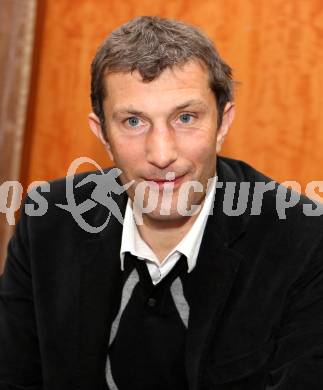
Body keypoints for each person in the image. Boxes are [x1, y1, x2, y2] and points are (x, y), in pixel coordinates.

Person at [1, 15, 323, 390]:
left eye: (186, 118)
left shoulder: (303, 242)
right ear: (102, 133)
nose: (161, 153)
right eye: (133, 122)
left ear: (222, 123)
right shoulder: (49, 222)